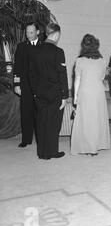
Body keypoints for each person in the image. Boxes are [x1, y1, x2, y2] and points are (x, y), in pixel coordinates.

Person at [29, 23, 68, 160]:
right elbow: (62, 75)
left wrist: (34, 91)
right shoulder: (58, 52)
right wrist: (65, 96)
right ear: (56, 34)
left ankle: (42, 153)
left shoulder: (34, 51)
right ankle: (52, 151)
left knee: (41, 122)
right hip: (55, 93)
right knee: (53, 123)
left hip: (39, 92)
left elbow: (31, 74)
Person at [71, 34, 110, 156]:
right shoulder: (103, 61)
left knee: (85, 120)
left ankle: (87, 147)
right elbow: (102, 77)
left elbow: (77, 80)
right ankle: (95, 147)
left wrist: (75, 97)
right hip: (98, 91)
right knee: (97, 119)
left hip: (85, 91)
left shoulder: (79, 61)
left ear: (84, 46)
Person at [13, 22, 42, 148]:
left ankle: (41, 138)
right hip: (25, 85)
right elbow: (17, 67)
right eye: (27, 32)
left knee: (40, 113)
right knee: (26, 112)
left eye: (31, 32)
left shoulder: (44, 46)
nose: (28, 35)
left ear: (37, 32)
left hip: (40, 86)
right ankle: (26, 139)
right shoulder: (21, 47)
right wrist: (17, 84)